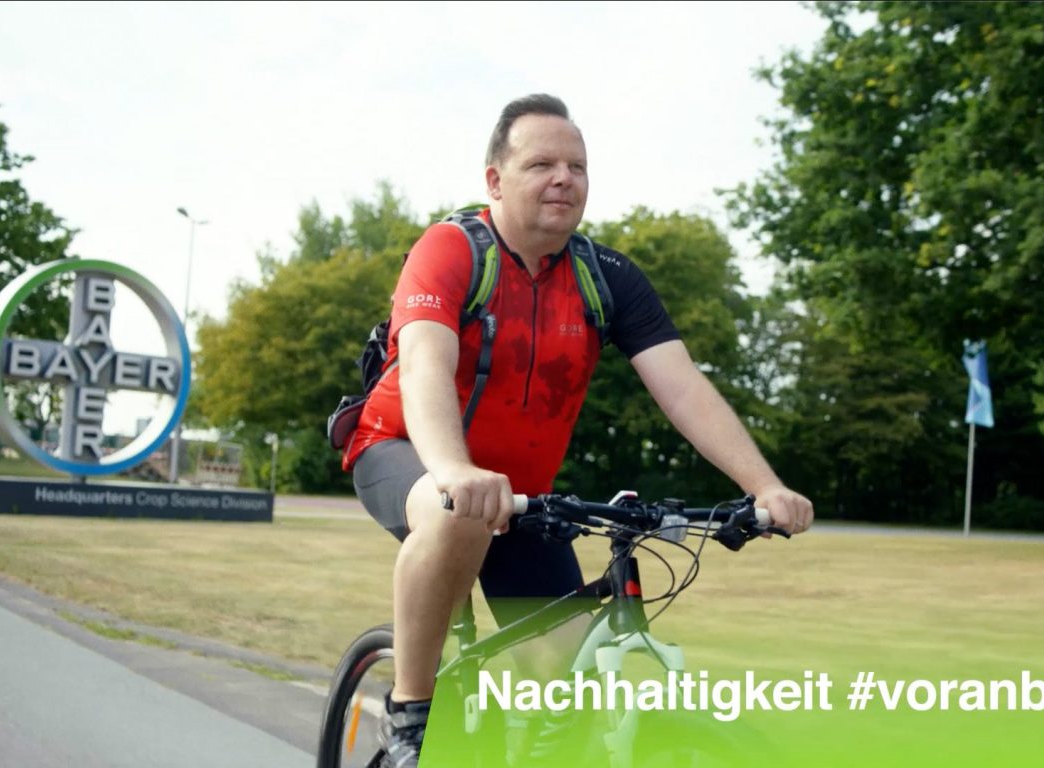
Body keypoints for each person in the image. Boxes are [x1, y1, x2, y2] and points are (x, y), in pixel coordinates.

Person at [342, 93, 814, 767]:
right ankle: (410, 719)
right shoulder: (450, 250)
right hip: (405, 451)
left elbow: (682, 387)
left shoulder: (606, 277)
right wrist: (454, 470)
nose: (564, 178)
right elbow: (423, 366)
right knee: (455, 516)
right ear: (495, 180)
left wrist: (763, 486)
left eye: (578, 166)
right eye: (542, 164)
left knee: (567, 688)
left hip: (525, 495)